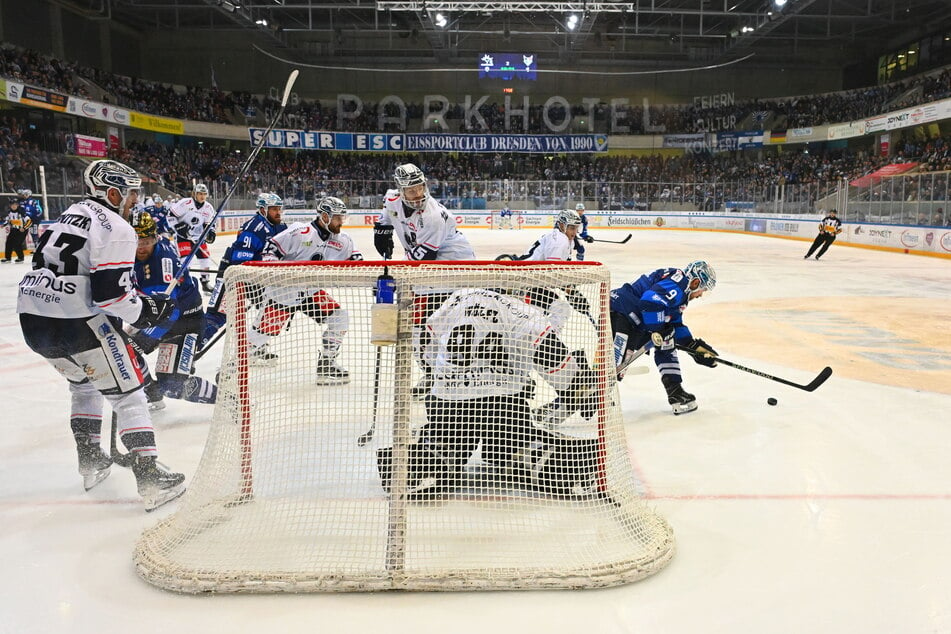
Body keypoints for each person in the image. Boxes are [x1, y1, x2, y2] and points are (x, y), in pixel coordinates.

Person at [16, 159, 185, 510]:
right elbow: (112, 295)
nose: (134, 201)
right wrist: (149, 311)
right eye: (130, 194)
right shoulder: (118, 227)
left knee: (82, 384)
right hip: (76, 322)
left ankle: (91, 461)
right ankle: (150, 477)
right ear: (112, 192)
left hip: (32, 319)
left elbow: (41, 265)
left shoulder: (66, 215)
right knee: (129, 395)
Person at [376, 288, 600, 498]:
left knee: (448, 441)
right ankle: (526, 454)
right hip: (501, 406)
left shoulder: (457, 298)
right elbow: (552, 357)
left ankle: (431, 453)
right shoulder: (522, 312)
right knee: (518, 443)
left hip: (447, 402)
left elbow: (427, 345)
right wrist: (579, 388)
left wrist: (447, 374)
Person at [373, 163, 476, 397]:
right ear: (400, 191)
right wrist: (382, 233)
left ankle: (453, 374)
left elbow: (423, 258)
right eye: (411, 190)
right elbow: (385, 220)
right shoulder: (391, 200)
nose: (418, 194)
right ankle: (431, 374)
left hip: (453, 267)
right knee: (418, 327)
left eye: (420, 187)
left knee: (446, 325)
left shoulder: (433, 215)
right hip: (427, 273)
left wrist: (395, 276)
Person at [249, 196, 362, 383]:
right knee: (261, 335)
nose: (340, 222)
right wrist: (277, 274)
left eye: (342, 218)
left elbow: (357, 260)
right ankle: (234, 366)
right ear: (324, 217)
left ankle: (327, 364)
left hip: (311, 293)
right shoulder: (300, 232)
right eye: (337, 218)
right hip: (284, 293)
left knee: (340, 317)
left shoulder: (343, 241)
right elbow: (270, 251)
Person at [130, 211, 218, 410]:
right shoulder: (133, 251)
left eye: (146, 241)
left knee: (172, 385)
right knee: (125, 351)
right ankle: (152, 394)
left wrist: (143, 336)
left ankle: (228, 399)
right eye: (136, 241)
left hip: (183, 321)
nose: (140, 248)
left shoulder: (162, 266)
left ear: (155, 237)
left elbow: (169, 312)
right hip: (157, 313)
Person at [609, 261, 718, 415]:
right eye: (703, 290)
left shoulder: (681, 291)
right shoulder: (679, 283)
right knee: (614, 364)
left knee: (667, 340)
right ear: (695, 282)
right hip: (624, 312)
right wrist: (658, 329)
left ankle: (675, 390)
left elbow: (674, 323)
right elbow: (649, 302)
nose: (700, 295)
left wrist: (692, 346)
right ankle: (588, 394)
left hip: (630, 314)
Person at [200, 192, 287, 348]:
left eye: (279, 208)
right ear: (262, 210)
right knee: (218, 316)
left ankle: (256, 346)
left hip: (258, 278)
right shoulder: (254, 228)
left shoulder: (281, 227)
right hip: (232, 275)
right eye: (274, 209)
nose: (278, 212)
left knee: (270, 310)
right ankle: (193, 348)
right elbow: (241, 262)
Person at [169, 182, 216, 292]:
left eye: (204, 194)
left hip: (199, 238)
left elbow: (210, 224)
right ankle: (185, 282)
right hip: (183, 237)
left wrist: (211, 232)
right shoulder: (185, 203)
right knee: (186, 261)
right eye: (200, 193)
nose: (202, 196)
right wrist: (178, 226)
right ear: (194, 194)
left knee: (205, 260)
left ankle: (205, 282)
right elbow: (170, 215)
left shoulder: (208, 208)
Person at [2, 197, 31, 262]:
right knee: (8, 243)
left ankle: (21, 258)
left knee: (17, 243)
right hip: (13, 230)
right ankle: (8, 258)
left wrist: (24, 227)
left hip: (22, 231)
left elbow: (29, 221)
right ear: (10, 205)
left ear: (18, 205)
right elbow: (8, 220)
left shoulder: (22, 212)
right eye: (12, 205)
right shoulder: (9, 212)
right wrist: (3, 225)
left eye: (15, 204)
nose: (14, 206)